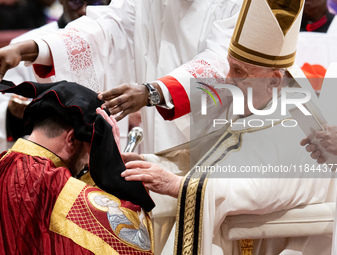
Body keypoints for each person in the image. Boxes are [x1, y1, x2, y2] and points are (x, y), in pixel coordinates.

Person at [120, 0, 335, 254]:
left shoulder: (297, 123)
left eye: (239, 71)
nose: (228, 79)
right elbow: (216, 156)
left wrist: (178, 186)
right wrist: (154, 162)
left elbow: (260, 187)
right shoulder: (260, 98)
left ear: (275, 82)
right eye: (230, 65)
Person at [0, 0, 242, 154]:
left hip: (217, 140)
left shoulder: (237, 3)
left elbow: (223, 62)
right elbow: (103, 31)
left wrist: (153, 92)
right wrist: (23, 50)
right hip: (158, 143)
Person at [0, 80, 154, 254]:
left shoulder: (3, 163)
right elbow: (134, 241)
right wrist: (111, 165)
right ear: (71, 139)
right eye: (90, 150)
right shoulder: (55, 188)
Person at [0, 0, 112, 153]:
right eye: (77, 1)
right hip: (46, 158)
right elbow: (4, 110)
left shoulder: (120, 44)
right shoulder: (22, 46)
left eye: (97, 2)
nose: (85, 9)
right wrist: (12, 111)